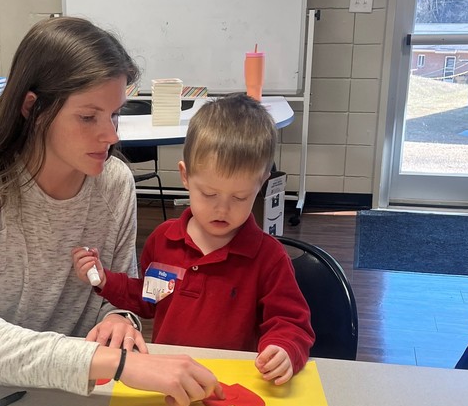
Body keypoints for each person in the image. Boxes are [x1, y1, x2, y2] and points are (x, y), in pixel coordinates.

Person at [0, 16, 223, 406]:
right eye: (88, 117)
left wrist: (119, 320)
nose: (111, 135)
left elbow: (117, 289)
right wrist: (119, 363)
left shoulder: (114, 183)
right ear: (33, 109)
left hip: (49, 389)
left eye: (115, 114)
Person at [73, 94, 315, 385]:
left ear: (260, 184)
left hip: (231, 383)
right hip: (170, 378)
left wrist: (284, 348)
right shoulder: (164, 240)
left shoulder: (269, 258)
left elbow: (291, 322)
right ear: (185, 177)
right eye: (209, 194)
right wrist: (106, 280)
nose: (222, 209)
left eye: (240, 197)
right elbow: (147, 300)